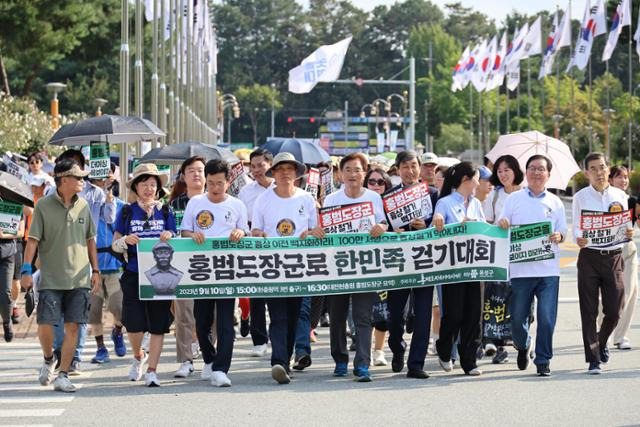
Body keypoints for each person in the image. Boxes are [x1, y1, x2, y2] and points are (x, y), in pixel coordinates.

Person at [20, 159, 100, 392]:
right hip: (51, 278)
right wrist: (26, 269)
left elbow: (90, 240)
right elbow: (33, 241)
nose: (83, 182)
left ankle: (63, 374)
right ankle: (48, 359)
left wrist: (95, 270)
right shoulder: (43, 206)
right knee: (45, 324)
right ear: (64, 180)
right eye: (79, 178)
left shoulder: (83, 205)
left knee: (73, 327)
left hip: (79, 279)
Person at [251, 152, 324, 385]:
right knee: (278, 315)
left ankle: (288, 358)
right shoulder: (263, 200)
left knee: (294, 316)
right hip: (273, 265)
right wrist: (259, 234)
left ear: (296, 174)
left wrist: (312, 233)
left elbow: (316, 230)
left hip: (300, 266)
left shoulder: (306, 199)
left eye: (289, 169)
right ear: (273, 173)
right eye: (280, 169)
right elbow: (256, 231)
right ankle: (279, 361)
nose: (284, 173)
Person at [497, 155, 567, 376]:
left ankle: (543, 360)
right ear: (525, 172)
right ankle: (523, 343)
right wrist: (503, 222)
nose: (537, 173)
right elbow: (501, 224)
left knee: (547, 318)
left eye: (541, 169)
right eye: (532, 168)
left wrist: (559, 236)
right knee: (517, 318)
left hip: (548, 271)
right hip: (520, 271)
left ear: (548, 174)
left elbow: (564, 232)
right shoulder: (514, 199)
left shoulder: (555, 202)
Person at [181, 159, 248, 387]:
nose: (215, 188)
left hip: (228, 270)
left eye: (220, 183)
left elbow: (246, 233)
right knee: (201, 320)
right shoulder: (195, 203)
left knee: (226, 322)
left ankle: (221, 368)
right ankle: (209, 358)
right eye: (211, 183)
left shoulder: (237, 205)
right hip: (201, 270)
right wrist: (193, 236)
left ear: (228, 182)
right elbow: (185, 232)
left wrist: (240, 232)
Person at [323, 153, 388, 382]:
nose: (352, 174)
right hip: (337, 266)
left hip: (364, 265)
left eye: (357, 170)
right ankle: (340, 360)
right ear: (340, 174)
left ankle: (362, 364)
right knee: (337, 316)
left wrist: (381, 226)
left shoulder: (373, 197)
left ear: (364, 172)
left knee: (362, 317)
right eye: (348, 170)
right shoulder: (331, 199)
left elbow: (382, 222)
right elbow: (324, 230)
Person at [111, 163, 177, 387]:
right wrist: (124, 241)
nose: (149, 189)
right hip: (133, 273)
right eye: (144, 184)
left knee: (158, 325)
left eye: (153, 184)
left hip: (161, 275)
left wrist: (170, 235)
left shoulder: (166, 211)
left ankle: (152, 371)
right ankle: (139, 354)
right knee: (134, 324)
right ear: (136, 187)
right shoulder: (127, 211)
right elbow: (115, 244)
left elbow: (178, 243)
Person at [572, 152, 633, 374]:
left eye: (602, 167)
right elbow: (577, 226)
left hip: (614, 256)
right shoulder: (580, 197)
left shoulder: (619, 195)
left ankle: (602, 339)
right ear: (587, 172)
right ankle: (593, 359)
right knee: (588, 310)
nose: (599, 172)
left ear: (608, 169)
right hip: (589, 256)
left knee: (615, 310)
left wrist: (628, 231)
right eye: (594, 169)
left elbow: (625, 225)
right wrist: (579, 237)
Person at [383, 150, 436, 379]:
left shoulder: (432, 194)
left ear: (420, 167)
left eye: (414, 165)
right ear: (397, 170)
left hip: (425, 261)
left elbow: (441, 226)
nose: (410, 170)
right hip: (399, 263)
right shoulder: (388, 198)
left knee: (423, 314)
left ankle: (416, 364)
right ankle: (397, 347)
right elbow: (380, 225)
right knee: (395, 315)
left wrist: (427, 227)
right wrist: (390, 230)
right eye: (405, 166)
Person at [432, 161, 485, 376]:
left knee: (474, 315)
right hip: (453, 268)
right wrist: (441, 220)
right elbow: (436, 227)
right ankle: (444, 349)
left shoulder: (477, 204)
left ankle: (469, 360)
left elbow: (483, 229)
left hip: (475, 266)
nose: (479, 182)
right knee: (454, 314)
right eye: (477, 178)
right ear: (466, 179)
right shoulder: (444, 202)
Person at [482, 155, 523, 361]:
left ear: (516, 170)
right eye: (499, 171)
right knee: (497, 301)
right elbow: (487, 225)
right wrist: (498, 225)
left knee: (521, 302)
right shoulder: (494, 197)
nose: (503, 174)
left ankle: (521, 339)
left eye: (507, 169)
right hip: (499, 257)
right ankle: (498, 346)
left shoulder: (527, 194)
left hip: (524, 258)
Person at [168, 155, 206, 378]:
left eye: (200, 170)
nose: (196, 174)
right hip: (183, 266)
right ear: (183, 176)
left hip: (212, 266)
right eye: (191, 170)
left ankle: (209, 355)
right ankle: (185, 360)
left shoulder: (217, 201)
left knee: (211, 315)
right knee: (183, 314)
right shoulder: (173, 205)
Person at [238, 148, 275, 357]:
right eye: (253, 166)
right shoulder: (246, 192)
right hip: (255, 245)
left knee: (277, 294)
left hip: (279, 246)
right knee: (257, 294)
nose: (257, 170)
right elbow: (242, 222)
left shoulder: (281, 188)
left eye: (261, 165)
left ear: (270, 164)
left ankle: (279, 336)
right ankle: (259, 339)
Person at [88, 166, 127, 364]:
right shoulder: (87, 204)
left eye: (107, 176)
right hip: (91, 265)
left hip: (114, 264)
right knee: (93, 310)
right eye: (99, 176)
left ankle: (118, 330)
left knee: (118, 306)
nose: (103, 180)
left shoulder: (122, 206)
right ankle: (100, 347)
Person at [601, 166, 637, 350]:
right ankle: (603, 332)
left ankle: (620, 336)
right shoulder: (602, 199)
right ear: (610, 179)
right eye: (619, 177)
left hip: (627, 251)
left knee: (630, 293)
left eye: (626, 177)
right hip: (606, 251)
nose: (623, 180)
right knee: (607, 295)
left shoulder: (632, 201)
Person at [364, 168, 392, 366]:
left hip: (388, 263)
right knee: (363, 311)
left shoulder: (393, 206)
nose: (375, 185)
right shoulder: (358, 203)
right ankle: (364, 350)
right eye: (372, 181)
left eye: (380, 182)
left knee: (383, 311)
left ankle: (379, 350)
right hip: (361, 264)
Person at [484, 154, 524, 224]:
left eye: (506, 170)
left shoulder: (526, 194)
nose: (502, 175)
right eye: (499, 171)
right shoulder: (493, 195)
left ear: (515, 171)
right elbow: (487, 223)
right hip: (498, 235)